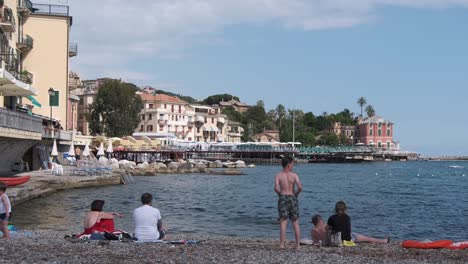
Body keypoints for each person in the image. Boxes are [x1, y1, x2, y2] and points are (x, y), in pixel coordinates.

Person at [274, 156, 302, 250]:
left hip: (283, 197)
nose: (293, 165)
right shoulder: (294, 175)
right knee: (295, 222)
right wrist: (296, 195)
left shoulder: (278, 175)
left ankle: (282, 245)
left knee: (283, 222)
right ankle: (297, 245)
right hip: (292, 197)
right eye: (293, 163)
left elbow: (276, 188)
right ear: (289, 165)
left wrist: (280, 195)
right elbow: (300, 187)